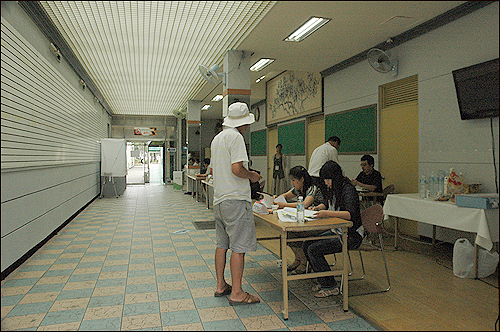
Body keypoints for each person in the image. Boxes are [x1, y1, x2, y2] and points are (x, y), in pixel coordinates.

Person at [211, 102, 262, 305]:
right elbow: (236, 169)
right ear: (242, 123)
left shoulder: (217, 139)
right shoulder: (236, 138)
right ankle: (238, 293)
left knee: (222, 244)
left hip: (219, 200)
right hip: (235, 200)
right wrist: (252, 176)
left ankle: (221, 285)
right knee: (239, 247)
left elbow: (215, 171)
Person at [303, 160, 363, 298]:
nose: (326, 183)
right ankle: (322, 279)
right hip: (337, 230)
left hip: (351, 235)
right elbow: (329, 203)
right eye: (325, 180)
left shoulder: (348, 189)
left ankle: (330, 286)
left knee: (314, 249)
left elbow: (349, 215)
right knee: (307, 244)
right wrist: (319, 208)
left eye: (328, 179)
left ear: (335, 177)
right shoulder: (333, 188)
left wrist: (327, 213)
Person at [275, 165, 324, 274]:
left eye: (294, 180)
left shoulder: (312, 188)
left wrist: (284, 205)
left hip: (318, 222)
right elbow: (286, 195)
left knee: (294, 234)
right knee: (287, 233)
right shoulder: (298, 188)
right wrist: (276, 198)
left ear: (302, 179)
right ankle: (299, 259)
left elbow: (305, 205)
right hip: (306, 221)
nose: (292, 183)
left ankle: (304, 262)